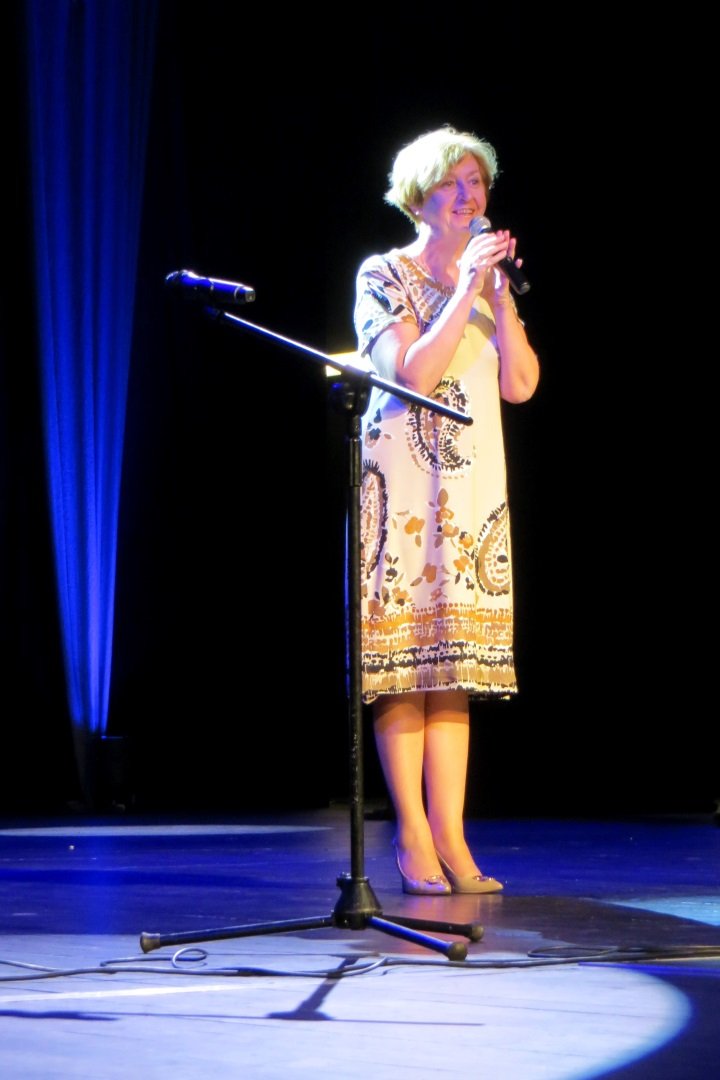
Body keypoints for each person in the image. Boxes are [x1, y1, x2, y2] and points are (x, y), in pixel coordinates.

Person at [353, 124, 540, 895]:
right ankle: (412, 836)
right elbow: (414, 375)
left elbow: (521, 385)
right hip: (403, 489)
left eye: (478, 183)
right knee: (406, 665)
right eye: (453, 183)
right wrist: (465, 289)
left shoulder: (486, 284)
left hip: (470, 494)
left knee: (454, 667)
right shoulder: (382, 275)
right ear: (417, 197)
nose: (470, 196)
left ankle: (454, 839)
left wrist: (498, 297)